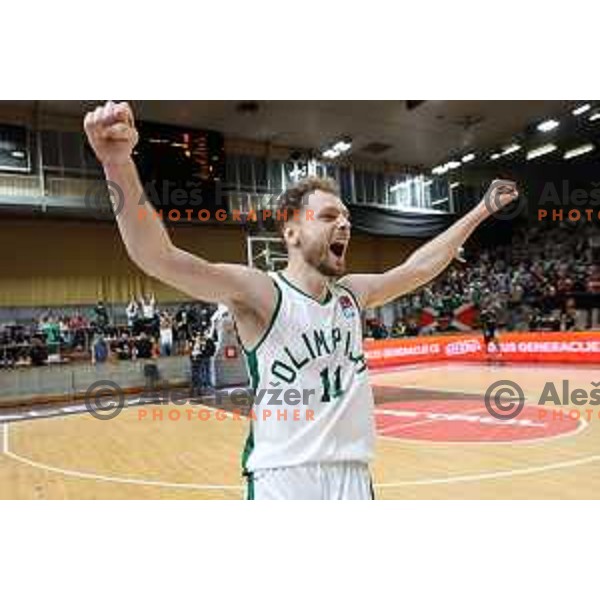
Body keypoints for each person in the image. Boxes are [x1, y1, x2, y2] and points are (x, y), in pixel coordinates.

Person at [84, 101, 519, 500]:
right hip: (284, 479)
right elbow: (158, 257)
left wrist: (480, 211)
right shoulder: (263, 293)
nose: (345, 224)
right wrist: (117, 164)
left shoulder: (352, 294)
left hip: (353, 474)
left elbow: (419, 267)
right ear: (291, 233)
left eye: (346, 217)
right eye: (329, 216)